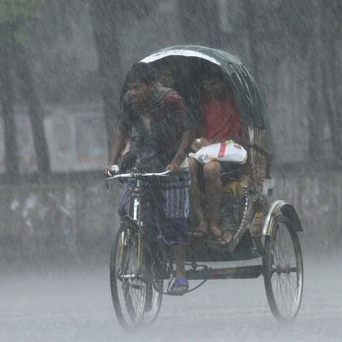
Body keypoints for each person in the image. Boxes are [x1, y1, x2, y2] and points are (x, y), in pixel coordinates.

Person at [104, 62, 195, 295]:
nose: (134, 93)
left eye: (138, 88)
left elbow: (187, 130)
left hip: (170, 163)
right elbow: (121, 132)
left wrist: (177, 160)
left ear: (152, 85)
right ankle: (145, 252)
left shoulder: (170, 100)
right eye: (131, 88)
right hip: (143, 161)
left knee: (175, 220)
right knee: (127, 208)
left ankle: (181, 274)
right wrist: (113, 162)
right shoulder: (129, 102)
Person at [187, 65, 243, 246]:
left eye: (214, 84)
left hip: (230, 156)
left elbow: (241, 138)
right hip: (207, 153)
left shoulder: (235, 103)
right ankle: (200, 221)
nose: (211, 89)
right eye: (206, 85)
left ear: (222, 83)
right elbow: (197, 132)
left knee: (212, 168)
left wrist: (212, 141)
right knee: (187, 166)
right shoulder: (202, 104)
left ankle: (214, 222)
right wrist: (197, 141)